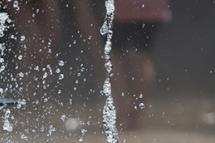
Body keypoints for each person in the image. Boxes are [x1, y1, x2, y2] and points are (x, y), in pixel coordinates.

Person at [70, 0, 171, 129]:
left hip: (122, 9)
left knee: (114, 57)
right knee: (142, 57)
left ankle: (124, 109)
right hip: (152, 8)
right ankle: (135, 115)